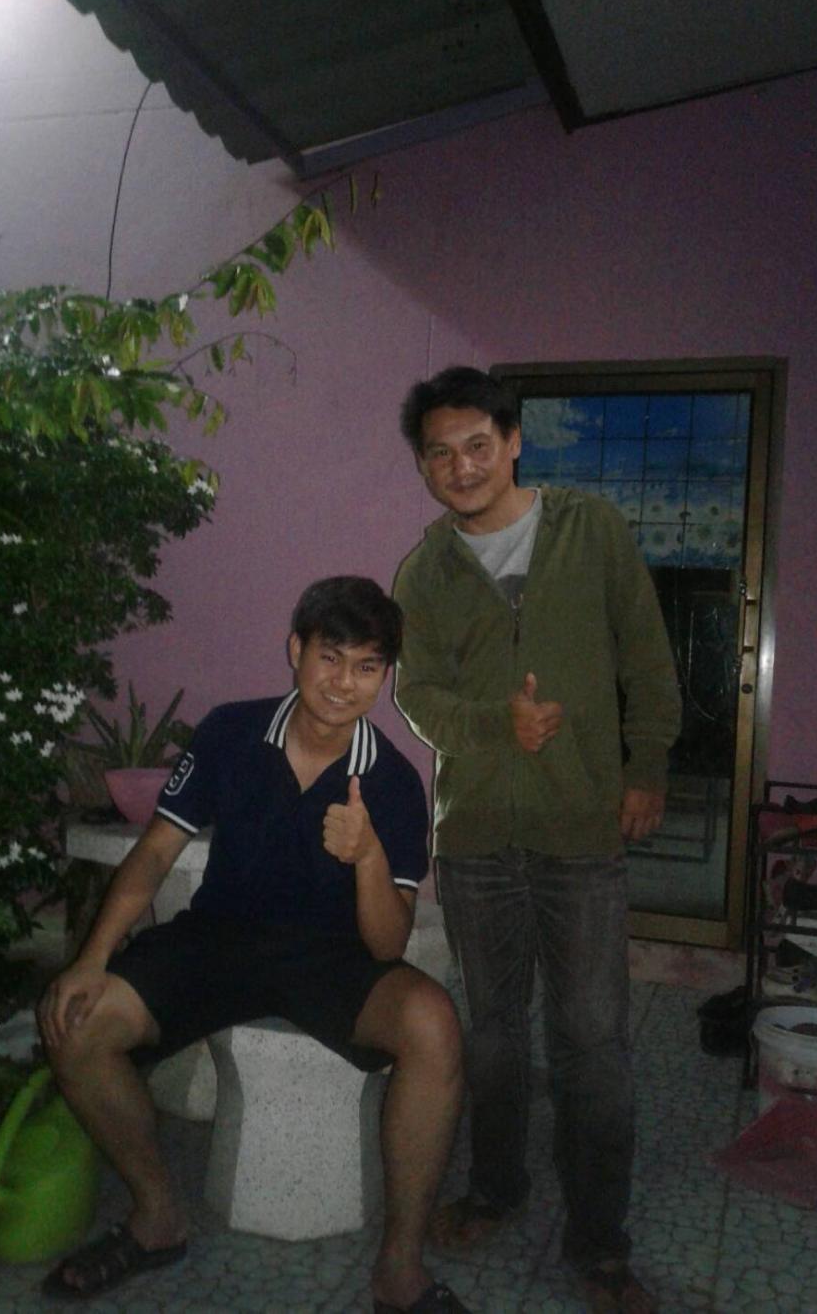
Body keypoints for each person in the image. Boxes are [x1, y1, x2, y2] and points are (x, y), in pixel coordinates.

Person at [37, 575, 469, 1313]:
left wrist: (367, 854)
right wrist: (91, 958)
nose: (344, 683)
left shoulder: (393, 782)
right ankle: (156, 1218)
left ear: (385, 676)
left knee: (434, 1025)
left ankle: (400, 1268)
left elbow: (387, 943)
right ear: (295, 649)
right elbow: (155, 852)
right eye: (330, 657)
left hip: (334, 956)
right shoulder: (229, 732)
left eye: (367, 666)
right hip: (220, 937)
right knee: (77, 1023)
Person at [392, 368, 681, 1314]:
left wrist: (647, 763)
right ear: (424, 464)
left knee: (592, 1038)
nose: (461, 466)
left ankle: (599, 1242)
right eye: (440, 452)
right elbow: (418, 696)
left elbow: (646, 653)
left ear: (514, 440)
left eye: (478, 444)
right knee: (493, 1030)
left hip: (579, 826)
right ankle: (497, 1186)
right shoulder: (424, 572)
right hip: (475, 834)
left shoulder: (590, 529)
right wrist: (495, 727)